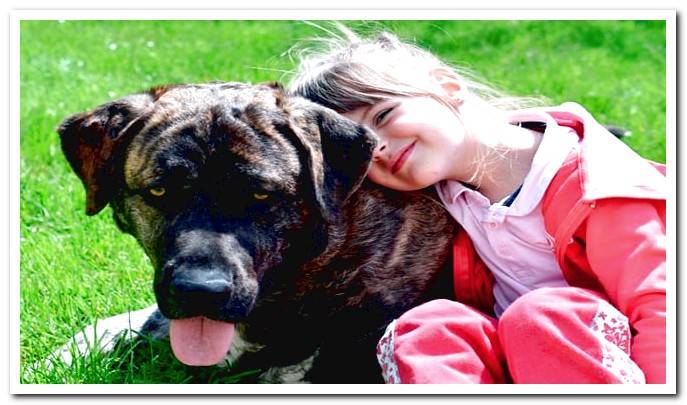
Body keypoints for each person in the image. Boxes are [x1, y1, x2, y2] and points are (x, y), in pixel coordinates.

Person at [287, 25, 666, 384]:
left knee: (540, 314)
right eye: (363, 149)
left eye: (384, 115)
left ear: (446, 86)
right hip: (517, 355)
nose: (379, 147)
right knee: (428, 327)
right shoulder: (443, 199)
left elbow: (662, 305)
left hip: (622, 359)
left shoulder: (596, 184)